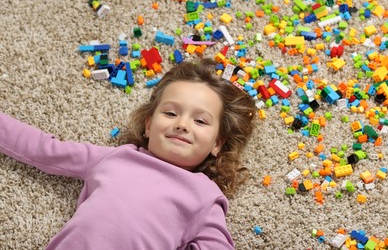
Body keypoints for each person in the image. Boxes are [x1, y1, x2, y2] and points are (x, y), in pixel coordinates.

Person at [0, 58, 257, 249]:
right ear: (148, 125)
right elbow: (45, 149)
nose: (182, 124)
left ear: (217, 144)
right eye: (170, 113)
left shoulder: (205, 195)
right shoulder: (117, 157)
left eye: (200, 121)